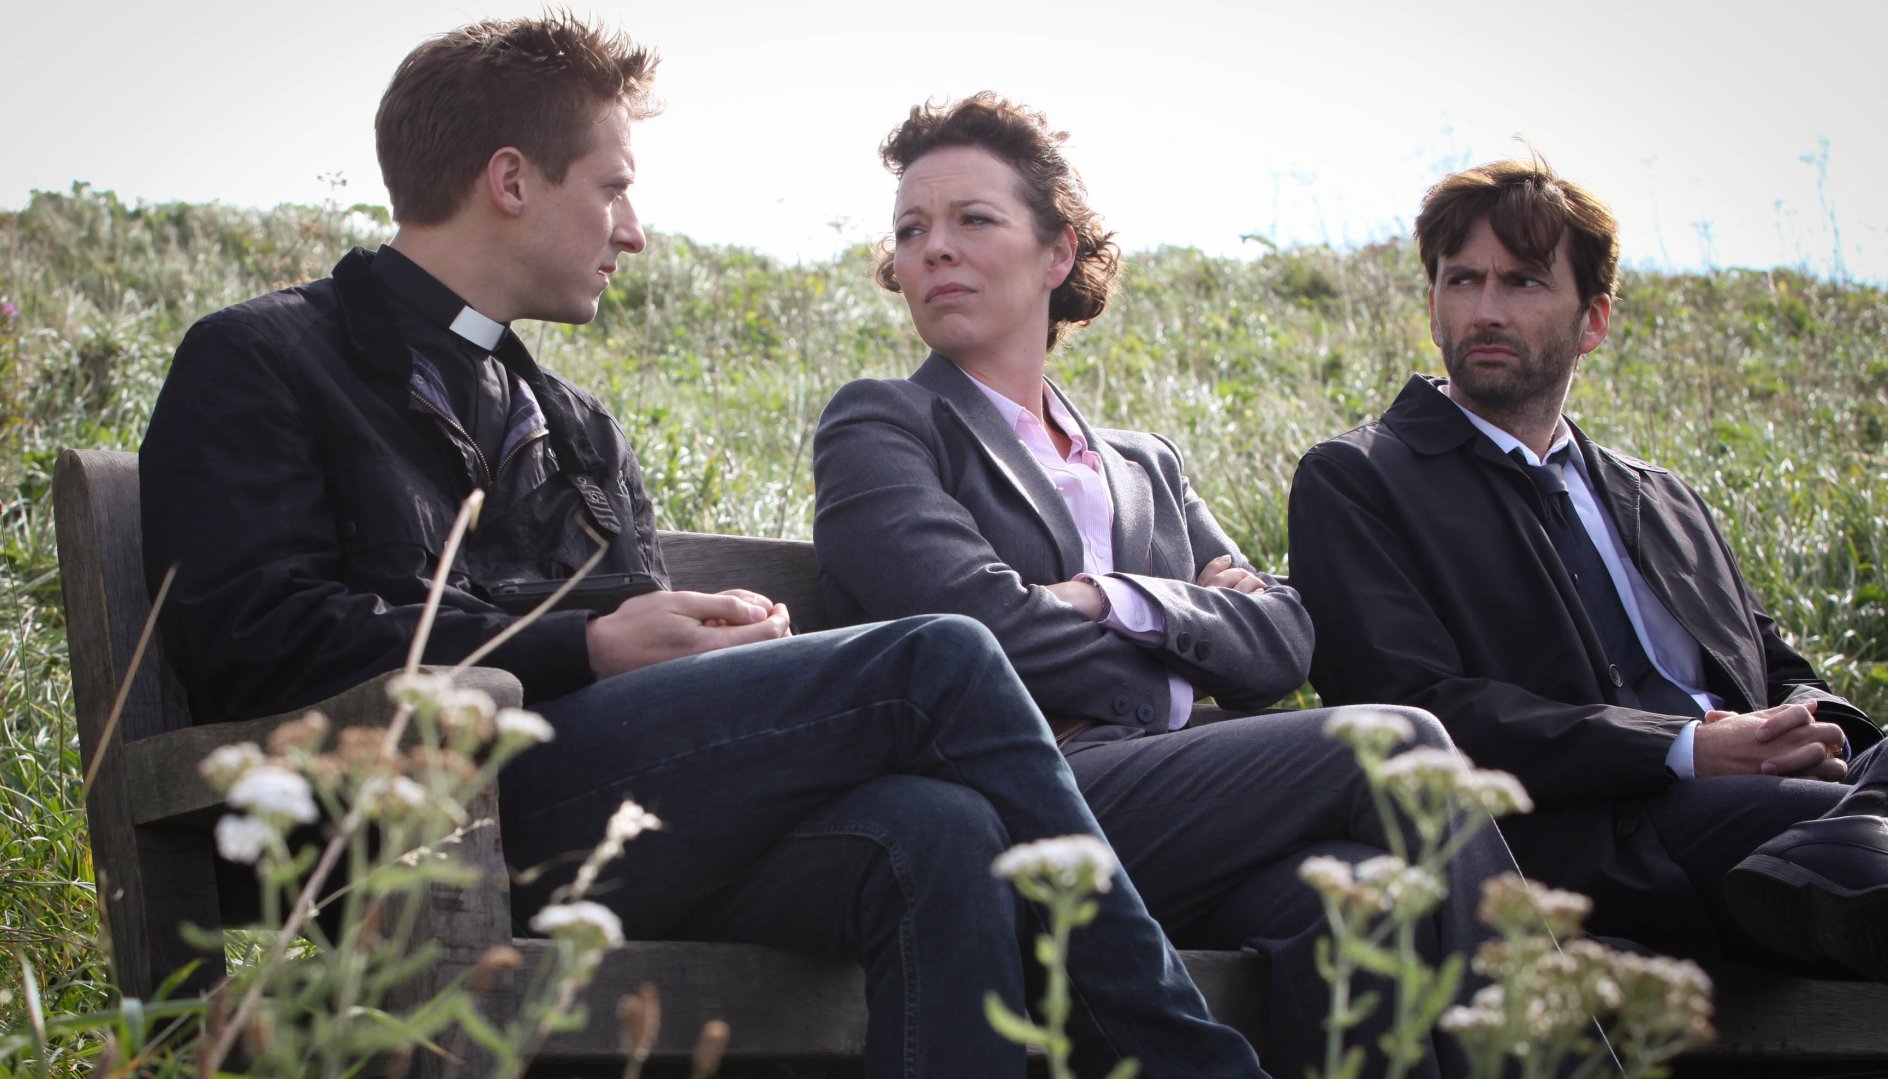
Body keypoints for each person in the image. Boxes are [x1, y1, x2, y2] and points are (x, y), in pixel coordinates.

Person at [136, 16, 1269, 1078]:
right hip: (421, 821)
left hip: (618, 816)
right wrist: (587, 643)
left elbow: (636, 652)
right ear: (513, 180)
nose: (634, 229)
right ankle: (1187, 1052)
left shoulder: (576, 422)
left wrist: (710, 644)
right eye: (615, 189)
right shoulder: (264, 358)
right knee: (941, 653)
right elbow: (253, 641)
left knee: (940, 826)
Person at [811, 94, 1520, 1079]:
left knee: (1356, 893)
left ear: (1058, 252)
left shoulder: (1147, 465)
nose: (934, 250)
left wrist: (1116, 597)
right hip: (1014, 803)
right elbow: (980, 628)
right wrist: (1183, 629)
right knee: (1398, 745)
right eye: (911, 230)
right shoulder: (883, 425)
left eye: (973, 220)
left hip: (1174, 814)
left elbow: (1281, 641)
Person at [1286, 154, 1888, 979]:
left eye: (1524, 283)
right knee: (1840, 833)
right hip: (1593, 841)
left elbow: (1778, 665)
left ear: (1593, 320)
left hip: (1777, 813)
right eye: (1462, 282)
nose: (1485, 310)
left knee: (1855, 795)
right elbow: (1414, 711)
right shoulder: (1359, 478)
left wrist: (1814, 732)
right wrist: (1685, 747)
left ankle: (1849, 840)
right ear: (1433, 307)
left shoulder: (1662, 498)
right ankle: (1850, 843)